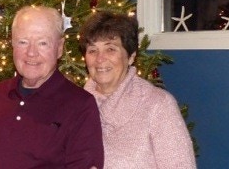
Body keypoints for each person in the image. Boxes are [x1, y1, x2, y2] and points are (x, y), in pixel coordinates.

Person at [0, 5, 104, 169]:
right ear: (12, 44)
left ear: (59, 48)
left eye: (43, 43)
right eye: (23, 42)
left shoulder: (80, 105)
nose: (31, 53)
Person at [79, 11, 197, 169]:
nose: (100, 59)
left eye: (110, 49)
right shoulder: (75, 106)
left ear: (131, 56)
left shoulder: (158, 105)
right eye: (92, 50)